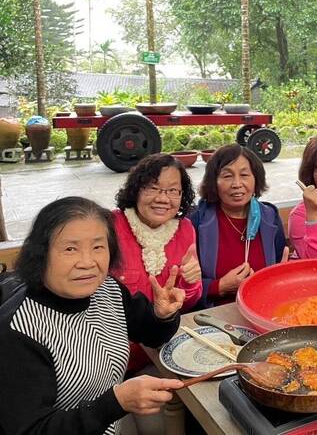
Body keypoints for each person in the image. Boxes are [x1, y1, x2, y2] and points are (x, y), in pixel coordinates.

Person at [0, 196, 186, 435]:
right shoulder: (17, 333)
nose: (87, 262)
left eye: (98, 247)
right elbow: (32, 430)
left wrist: (162, 316)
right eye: (70, 249)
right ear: (41, 254)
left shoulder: (107, 290)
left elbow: (151, 333)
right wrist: (114, 404)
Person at [111, 153, 202, 433]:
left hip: (161, 350)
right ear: (136, 189)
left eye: (173, 190)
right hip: (113, 359)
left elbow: (189, 298)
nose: (163, 198)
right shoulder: (110, 226)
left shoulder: (185, 229)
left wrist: (192, 282)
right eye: (153, 187)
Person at [190, 144, 288, 307]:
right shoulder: (197, 220)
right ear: (214, 181)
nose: (237, 184)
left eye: (244, 175)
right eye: (227, 176)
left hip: (263, 308)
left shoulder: (269, 217)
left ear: (256, 179)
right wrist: (219, 287)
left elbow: (279, 270)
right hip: (213, 316)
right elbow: (183, 286)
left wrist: (281, 277)